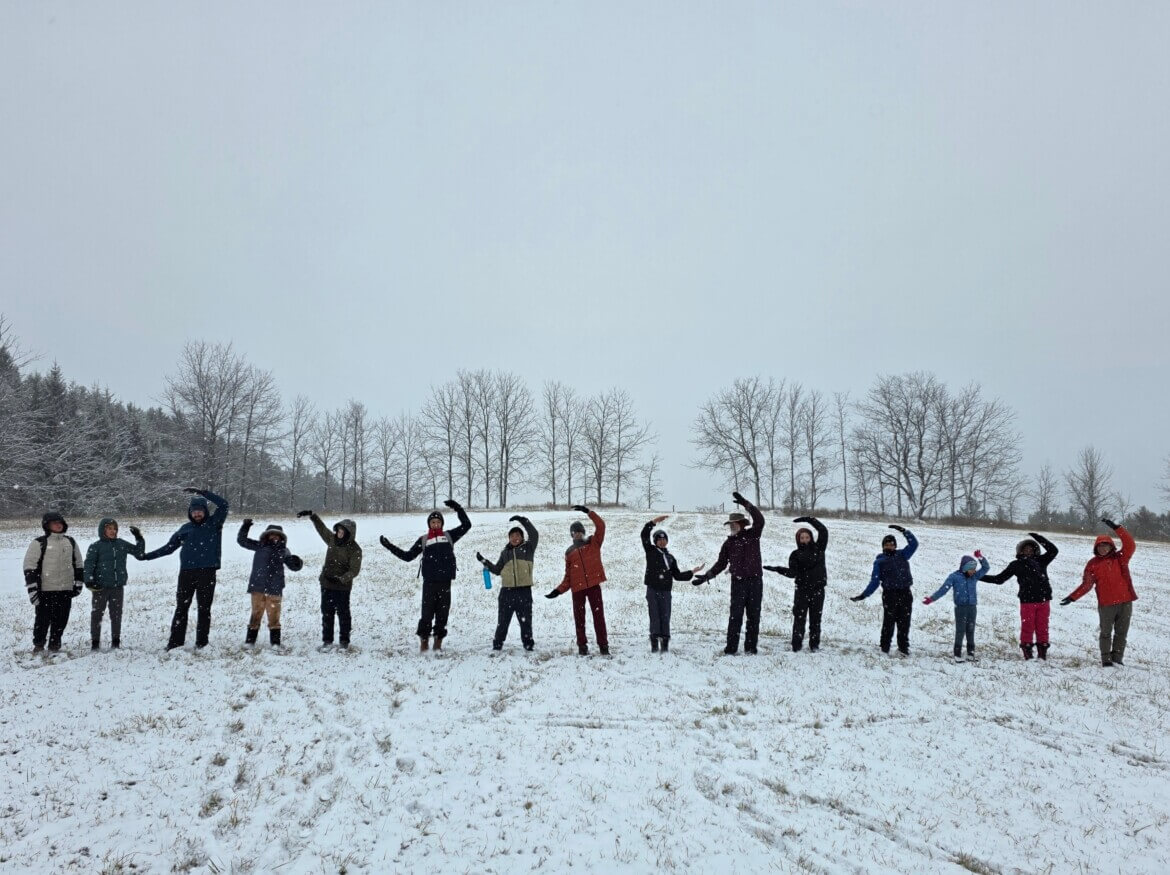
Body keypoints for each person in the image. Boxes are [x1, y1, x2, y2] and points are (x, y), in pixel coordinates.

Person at [143, 487, 231, 650]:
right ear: (190, 512)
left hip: (207, 572)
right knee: (181, 608)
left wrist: (204, 493)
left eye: (200, 511)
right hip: (186, 574)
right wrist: (147, 556)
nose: (197, 514)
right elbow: (169, 548)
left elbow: (224, 505)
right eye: (194, 511)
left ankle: (202, 643)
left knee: (204, 609)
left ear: (205, 511)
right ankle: (175, 642)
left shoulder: (214, 523)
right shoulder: (185, 529)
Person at [381, 499, 471, 651]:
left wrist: (457, 508)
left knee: (442, 614)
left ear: (441, 523)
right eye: (433, 522)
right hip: (429, 583)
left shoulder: (449, 536)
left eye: (438, 522)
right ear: (429, 524)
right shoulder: (423, 540)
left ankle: (438, 640)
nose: (435, 524)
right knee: (427, 614)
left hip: (445, 582)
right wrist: (389, 546)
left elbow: (466, 525)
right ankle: (424, 640)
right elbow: (408, 556)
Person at [692, 492, 766, 655]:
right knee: (735, 617)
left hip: (755, 582)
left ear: (741, 524)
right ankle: (731, 648)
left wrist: (747, 505)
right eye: (730, 525)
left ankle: (751, 648)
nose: (731, 527)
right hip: (738, 583)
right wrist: (707, 576)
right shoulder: (728, 544)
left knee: (753, 616)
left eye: (734, 524)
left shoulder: (753, 535)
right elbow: (721, 564)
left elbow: (760, 520)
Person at [1060, 518, 1138, 667]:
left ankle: (1117, 658)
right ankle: (1106, 659)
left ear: (1111, 546)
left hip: (1125, 602)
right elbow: (1086, 585)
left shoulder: (1120, 558)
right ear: (1096, 547)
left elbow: (1130, 545)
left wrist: (1117, 528)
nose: (1103, 548)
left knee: (1121, 633)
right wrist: (1072, 597)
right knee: (1106, 633)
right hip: (1106, 605)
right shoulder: (1093, 564)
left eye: (1106, 545)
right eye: (1100, 546)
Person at [981, 532, 1058, 660]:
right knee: (1027, 627)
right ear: (1020, 551)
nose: (1028, 551)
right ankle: (1027, 652)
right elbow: (999, 579)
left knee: (1042, 627)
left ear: (1036, 550)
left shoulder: (1041, 561)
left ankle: (1042, 653)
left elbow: (1053, 550)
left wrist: (1038, 537)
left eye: (1031, 549)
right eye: (1025, 549)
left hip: (1044, 600)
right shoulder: (1016, 565)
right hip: (1027, 601)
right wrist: (978, 577)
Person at [546, 506, 609, 655]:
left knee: (598, 617)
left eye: (580, 532)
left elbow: (601, 525)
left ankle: (603, 646)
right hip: (577, 590)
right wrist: (557, 591)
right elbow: (568, 577)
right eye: (574, 533)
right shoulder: (569, 552)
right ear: (571, 535)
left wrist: (588, 512)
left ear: (583, 532)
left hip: (593, 586)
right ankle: (582, 646)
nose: (577, 534)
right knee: (579, 618)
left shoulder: (594, 543)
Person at [297, 511, 362, 650]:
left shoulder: (355, 549)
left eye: (342, 531)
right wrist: (313, 516)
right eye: (338, 530)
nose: (339, 533)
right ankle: (327, 641)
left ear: (349, 533)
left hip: (342, 587)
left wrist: (342, 579)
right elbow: (322, 529)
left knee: (343, 614)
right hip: (327, 583)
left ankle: (344, 642)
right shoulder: (332, 540)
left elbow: (354, 570)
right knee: (327, 613)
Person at [850, 525, 919, 656]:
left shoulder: (903, 555)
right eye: (887, 544)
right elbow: (875, 581)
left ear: (895, 546)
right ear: (883, 546)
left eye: (892, 544)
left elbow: (914, 544)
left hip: (905, 593)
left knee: (904, 622)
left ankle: (903, 648)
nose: (889, 546)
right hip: (890, 595)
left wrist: (905, 532)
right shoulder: (880, 561)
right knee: (889, 621)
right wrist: (864, 595)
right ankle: (884, 647)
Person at [764, 516, 829, 652]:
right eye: (802, 538)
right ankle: (796, 645)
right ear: (798, 540)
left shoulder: (819, 548)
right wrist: (778, 569)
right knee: (799, 619)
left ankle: (814, 645)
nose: (805, 540)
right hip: (801, 591)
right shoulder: (795, 554)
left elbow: (823, 531)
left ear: (811, 537)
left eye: (807, 537)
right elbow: (793, 573)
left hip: (818, 590)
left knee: (815, 620)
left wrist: (810, 520)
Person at [22, 512, 84, 653]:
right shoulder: (39, 543)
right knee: (42, 620)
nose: (58, 524)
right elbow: (29, 567)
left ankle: (55, 645)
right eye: (54, 522)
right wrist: (32, 589)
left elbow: (79, 564)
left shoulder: (71, 542)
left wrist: (79, 583)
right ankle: (38, 645)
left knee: (61, 620)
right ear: (47, 525)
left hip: (66, 589)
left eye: (60, 522)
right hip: (45, 590)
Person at [640, 516, 702, 652]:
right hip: (652, 589)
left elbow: (678, 575)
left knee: (665, 616)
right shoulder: (650, 551)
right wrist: (653, 522)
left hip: (666, 591)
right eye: (659, 539)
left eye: (664, 539)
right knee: (654, 616)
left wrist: (691, 572)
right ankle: (655, 642)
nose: (662, 542)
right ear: (655, 541)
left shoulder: (670, 558)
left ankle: (665, 642)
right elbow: (644, 535)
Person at [476, 515, 538, 652]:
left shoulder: (528, 548)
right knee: (503, 622)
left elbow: (534, 533)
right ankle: (497, 644)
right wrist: (484, 561)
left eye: (517, 535)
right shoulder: (505, 553)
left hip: (524, 591)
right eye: (512, 536)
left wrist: (523, 520)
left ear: (522, 537)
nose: (515, 538)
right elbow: (497, 570)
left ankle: (528, 645)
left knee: (525, 621)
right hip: (506, 593)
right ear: (508, 538)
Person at [83, 518, 147, 650]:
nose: (113, 531)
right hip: (100, 587)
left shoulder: (121, 544)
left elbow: (139, 554)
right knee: (97, 615)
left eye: (114, 529)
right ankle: (95, 643)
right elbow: (88, 564)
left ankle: (116, 642)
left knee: (116, 615)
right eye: (109, 528)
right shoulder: (95, 546)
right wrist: (89, 580)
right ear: (102, 530)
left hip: (117, 587)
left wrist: (139, 538)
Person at [237, 520, 303, 647]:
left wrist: (297, 563)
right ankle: (250, 642)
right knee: (256, 614)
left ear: (281, 537)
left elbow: (293, 565)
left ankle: (275, 643)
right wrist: (245, 526)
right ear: (266, 536)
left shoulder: (284, 550)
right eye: (271, 534)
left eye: (277, 535)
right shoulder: (259, 546)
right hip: (258, 587)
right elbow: (242, 541)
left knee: (274, 617)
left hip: (275, 588)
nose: (274, 537)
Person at [922, 552, 990, 662]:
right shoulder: (954, 577)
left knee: (970, 630)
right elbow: (943, 589)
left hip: (972, 607)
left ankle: (970, 653)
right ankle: (957, 654)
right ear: (964, 568)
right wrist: (932, 598)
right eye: (971, 569)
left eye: (974, 569)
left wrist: (981, 558)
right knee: (960, 630)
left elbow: (986, 567)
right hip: (961, 608)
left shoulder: (974, 577)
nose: (974, 571)